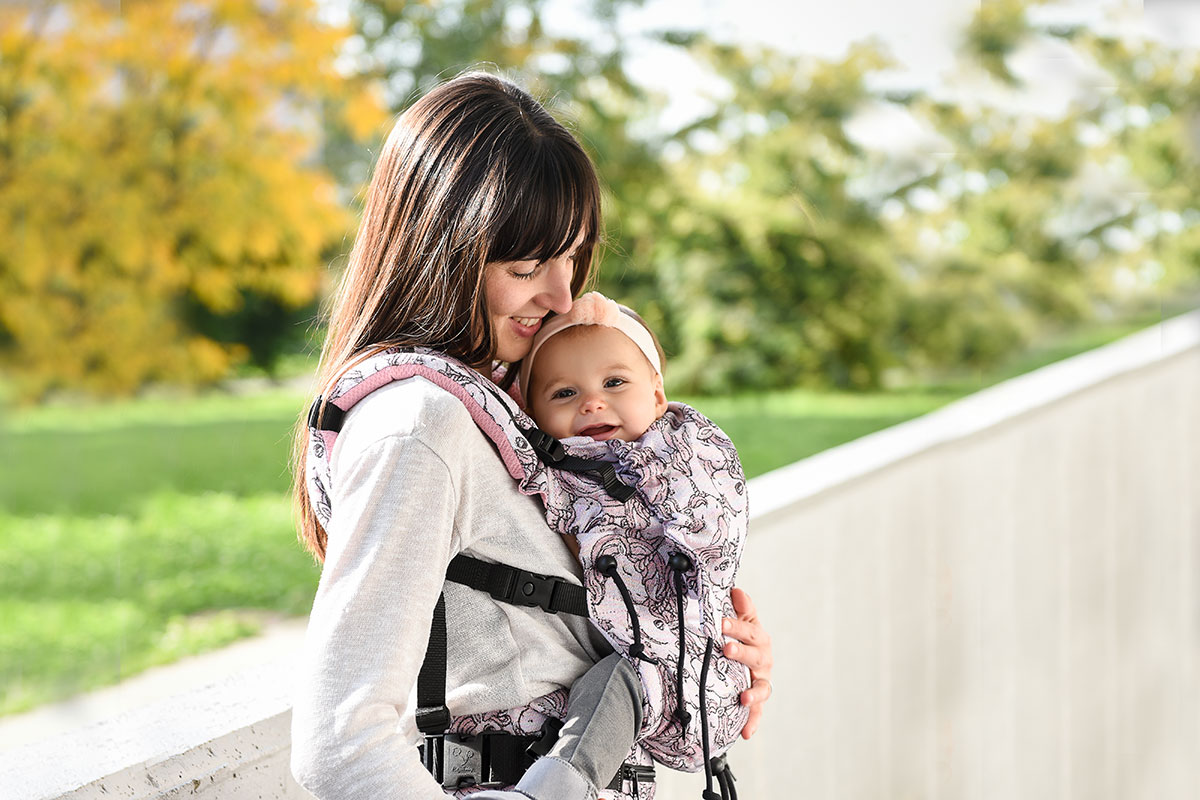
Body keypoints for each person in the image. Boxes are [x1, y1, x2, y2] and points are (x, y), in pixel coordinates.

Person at [289, 71, 773, 800]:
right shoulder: (418, 424)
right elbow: (340, 745)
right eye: (527, 267)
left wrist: (707, 655)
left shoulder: (506, 411)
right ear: (441, 255)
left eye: (571, 258)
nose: (560, 295)